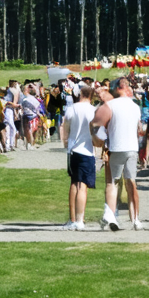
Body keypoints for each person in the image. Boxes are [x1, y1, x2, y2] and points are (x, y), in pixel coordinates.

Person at [93, 76, 144, 230]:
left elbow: (97, 125)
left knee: (112, 183)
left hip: (116, 147)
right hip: (132, 147)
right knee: (131, 183)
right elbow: (139, 129)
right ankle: (135, 219)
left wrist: (97, 138)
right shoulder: (135, 106)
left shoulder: (110, 105)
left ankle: (110, 215)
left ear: (117, 88)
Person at [60, 83, 97, 230]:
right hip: (87, 150)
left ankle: (73, 218)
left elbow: (65, 127)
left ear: (80, 94)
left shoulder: (72, 108)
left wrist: (65, 143)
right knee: (83, 185)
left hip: (73, 150)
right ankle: (80, 219)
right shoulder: (93, 110)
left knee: (74, 183)